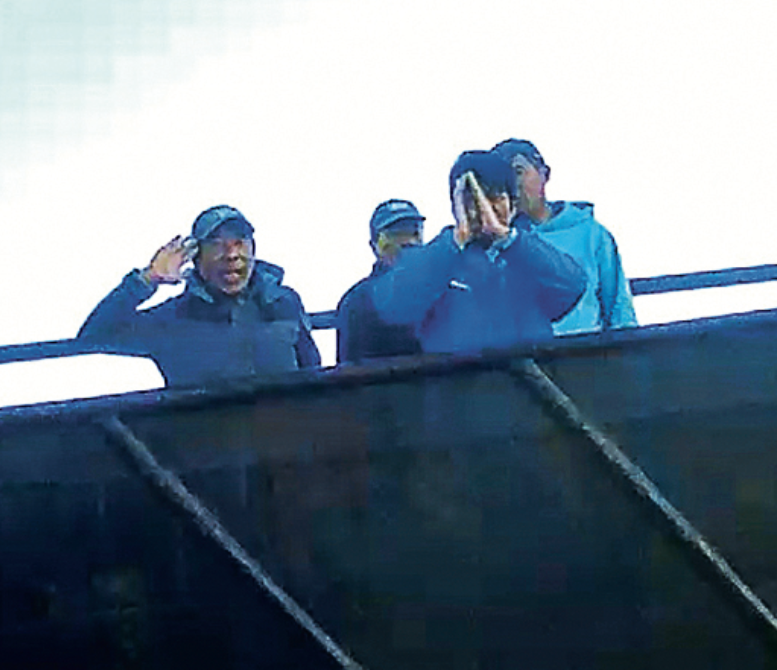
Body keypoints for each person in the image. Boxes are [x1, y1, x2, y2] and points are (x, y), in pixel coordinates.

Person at [370, 151, 587, 355]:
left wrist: (507, 238)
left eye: (496, 198)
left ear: (512, 205)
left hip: (529, 379)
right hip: (459, 381)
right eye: (473, 199)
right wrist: (456, 240)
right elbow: (393, 307)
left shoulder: (530, 253)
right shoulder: (431, 259)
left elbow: (572, 287)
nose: (485, 209)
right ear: (456, 206)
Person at [79, 205, 320, 386]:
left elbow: (314, 375)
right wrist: (146, 279)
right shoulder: (171, 319)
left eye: (239, 243)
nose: (231, 254)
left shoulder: (284, 302)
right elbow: (93, 336)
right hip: (207, 439)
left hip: (288, 435)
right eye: (217, 245)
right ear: (196, 257)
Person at [492, 139, 638, 335]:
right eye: (503, 177)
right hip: (523, 352)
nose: (513, 184)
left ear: (544, 174)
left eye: (518, 171)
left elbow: (619, 311)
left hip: (585, 350)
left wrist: (628, 349)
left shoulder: (590, 234)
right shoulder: (494, 243)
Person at [336, 199, 425, 364]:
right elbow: (349, 370)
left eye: (413, 232)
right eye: (394, 235)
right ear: (374, 246)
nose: (407, 242)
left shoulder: (450, 290)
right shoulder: (357, 302)